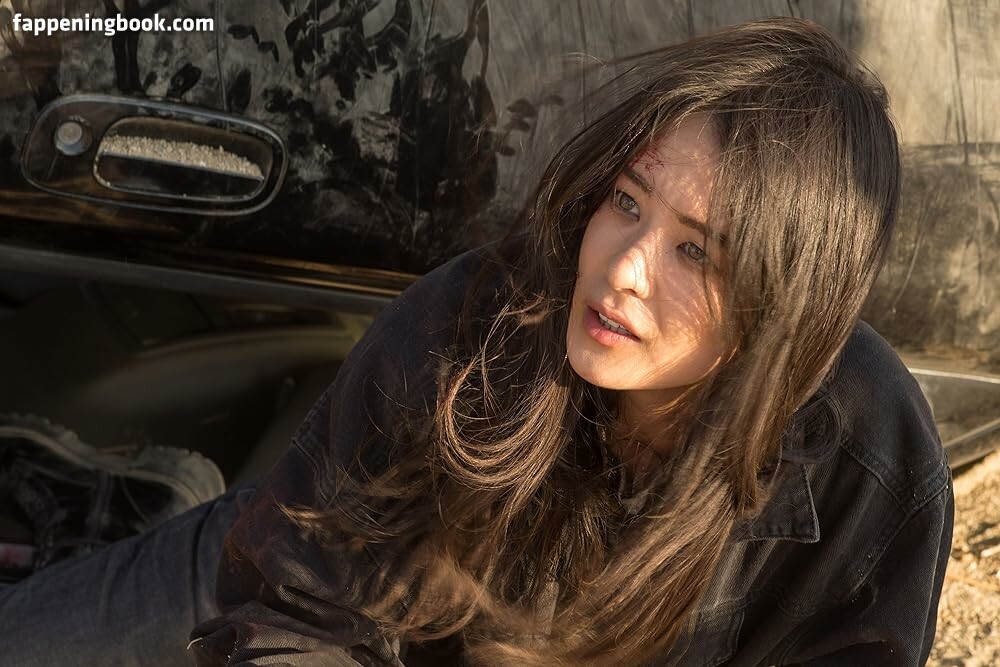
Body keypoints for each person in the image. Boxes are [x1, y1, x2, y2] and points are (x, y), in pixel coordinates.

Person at [2, 17, 952, 667]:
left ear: (787, 302)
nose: (623, 268)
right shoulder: (473, 322)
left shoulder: (871, 467)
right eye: (628, 202)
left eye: (696, 252)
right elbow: (298, 611)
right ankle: (154, 501)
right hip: (316, 540)